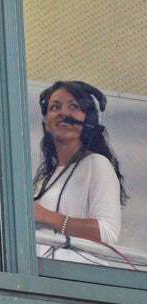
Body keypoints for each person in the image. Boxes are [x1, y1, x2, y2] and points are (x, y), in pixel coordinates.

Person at [33, 80, 128, 264]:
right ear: (46, 124)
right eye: (55, 107)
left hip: (78, 273)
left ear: (89, 119)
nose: (63, 113)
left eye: (73, 106)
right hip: (43, 272)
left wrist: (46, 216)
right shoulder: (43, 181)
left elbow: (107, 233)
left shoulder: (96, 164)